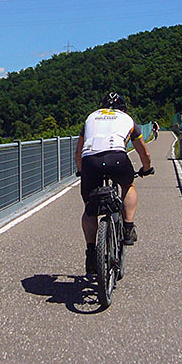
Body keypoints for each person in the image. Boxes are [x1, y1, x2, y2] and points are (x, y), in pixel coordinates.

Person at [75, 93, 153, 275]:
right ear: (123, 109)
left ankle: (91, 251)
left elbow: (78, 152)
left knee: (89, 207)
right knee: (128, 186)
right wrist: (146, 168)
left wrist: (81, 170)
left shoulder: (91, 118)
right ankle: (128, 227)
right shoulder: (127, 120)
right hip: (117, 157)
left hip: (90, 161)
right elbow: (144, 153)